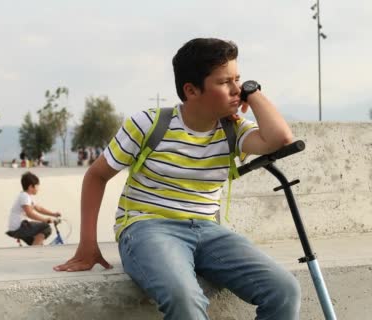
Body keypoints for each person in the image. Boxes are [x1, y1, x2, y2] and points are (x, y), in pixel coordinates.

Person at [54, 38, 300, 319]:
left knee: (284, 290)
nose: (236, 91)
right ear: (191, 90)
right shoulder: (149, 124)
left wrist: (253, 92)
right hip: (147, 228)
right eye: (224, 83)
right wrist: (88, 244)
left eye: (238, 80)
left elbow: (281, 138)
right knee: (185, 299)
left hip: (208, 232)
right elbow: (96, 175)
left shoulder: (233, 130)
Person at [6, 172, 61, 246]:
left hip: (21, 226)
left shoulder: (28, 197)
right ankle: (34, 252)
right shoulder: (24, 197)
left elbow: (39, 209)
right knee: (46, 227)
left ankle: (34, 252)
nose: (38, 188)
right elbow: (29, 213)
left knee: (38, 242)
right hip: (19, 227)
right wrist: (44, 220)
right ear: (30, 187)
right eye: (37, 186)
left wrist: (53, 214)